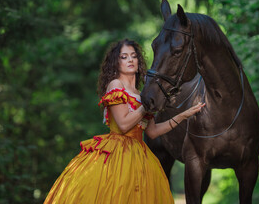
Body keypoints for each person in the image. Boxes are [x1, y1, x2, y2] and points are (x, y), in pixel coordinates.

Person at [43, 39, 205, 204]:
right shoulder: (115, 85)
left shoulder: (141, 92)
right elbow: (123, 125)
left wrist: (183, 115)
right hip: (117, 152)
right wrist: (145, 107)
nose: (130, 60)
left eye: (134, 56)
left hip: (140, 153)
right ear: (116, 62)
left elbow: (153, 132)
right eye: (124, 57)